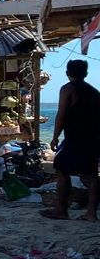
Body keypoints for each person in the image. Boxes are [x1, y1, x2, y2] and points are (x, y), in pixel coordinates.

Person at [45, 59, 100, 220]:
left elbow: (61, 115)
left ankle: (61, 210)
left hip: (75, 138)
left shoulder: (68, 89)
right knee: (92, 175)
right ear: (86, 74)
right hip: (93, 138)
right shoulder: (95, 92)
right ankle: (91, 213)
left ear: (68, 73)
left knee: (61, 170)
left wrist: (55, 137)